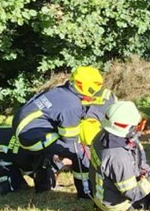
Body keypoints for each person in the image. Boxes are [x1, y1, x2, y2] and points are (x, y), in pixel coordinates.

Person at [11, 65, 111, 198]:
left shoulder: (62, 91)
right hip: (32, 137)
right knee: (79, 152)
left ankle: (43, 183)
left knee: (58, 151)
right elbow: (70, 139)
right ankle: (86, 192)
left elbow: (79, 110)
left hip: (26, 128)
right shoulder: (71, 105)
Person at [89, 101, 150, 211]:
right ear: (126, 128)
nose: (139, 128)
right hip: (115, 204)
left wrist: (146, 170)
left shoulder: (103, 135)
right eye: (136, 126)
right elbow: (133, 193)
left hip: (105, 192)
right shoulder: (118, 157)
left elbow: (135, 156)